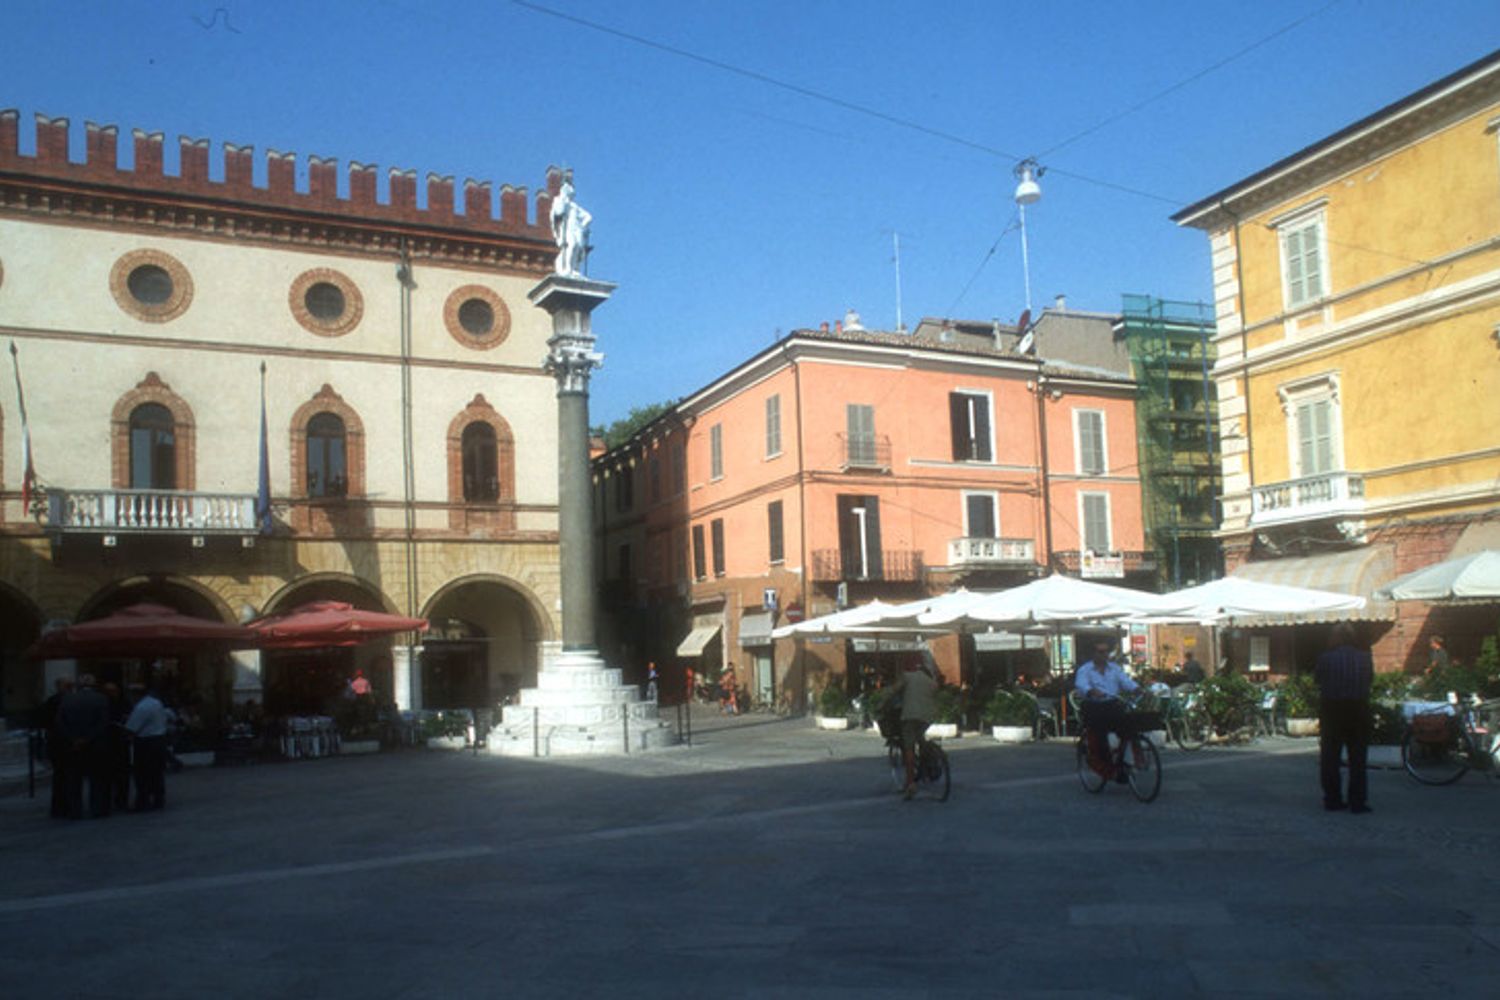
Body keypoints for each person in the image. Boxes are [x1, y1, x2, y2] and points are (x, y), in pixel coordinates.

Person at [1313, 623, 1373, 814]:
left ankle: (1333, 799)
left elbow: (1317, 679)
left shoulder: (1326, 658)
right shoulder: (1365, 658)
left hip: (1332, 709)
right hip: (1358, 708)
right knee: (1358, 758)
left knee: (1330, 757)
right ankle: (1357, 801)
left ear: (1335, 638)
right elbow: (1370, 680)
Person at [1074, 642, 1141, 781]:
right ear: (1094, 654)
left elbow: (1125, 681)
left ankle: (1129, 761)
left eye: (1106, 652)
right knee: (1100, 736)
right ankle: (1108, 769)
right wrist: (1091, 691)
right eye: (1100, 652)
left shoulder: (1115, 669)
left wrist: (1136, 688)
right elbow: (1081, 684)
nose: (1104, 655)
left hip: (1112, 705)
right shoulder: (1085, 670)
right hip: (1094, 706)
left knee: (1130, 727)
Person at [55, 674, 110, 818]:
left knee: (73, 780)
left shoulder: (67, 699)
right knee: (97, 779)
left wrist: (73, 739)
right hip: (95, 746)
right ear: (94, 685)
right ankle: (97, 809)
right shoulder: (101, 699)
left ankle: (75, 810)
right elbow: (103, 723)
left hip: (73, 746)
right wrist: (87, 739)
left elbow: (60, 722)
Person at [885, 655, 938, 800]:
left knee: (908, 747)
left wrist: (881, 700)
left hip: (910, 716)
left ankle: (910, 784)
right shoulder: (930, 681)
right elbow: (934, 693)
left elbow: (893, 691)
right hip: (928, 717)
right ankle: (927, 758)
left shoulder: (907, 677)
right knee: (919, 735)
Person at [124, 682, 170, 811]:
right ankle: (158, 798)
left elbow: (131, 728)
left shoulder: (141, 708)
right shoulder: (156, 703)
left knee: (142, 774)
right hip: (159, 739)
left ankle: (143, 801)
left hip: (146, 742)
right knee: (157, 772)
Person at [549, 177, 593, 276]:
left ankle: (574, 268)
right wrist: (563, 199)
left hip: (577, 229)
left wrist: (583, 225)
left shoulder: (575, 206)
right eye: (568, 188)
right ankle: (567, 267)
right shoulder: (559, 201)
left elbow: (588, 217)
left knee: (578, 247)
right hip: (567, 228)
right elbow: (559, 212)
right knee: (571, 245)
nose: (571, 190)